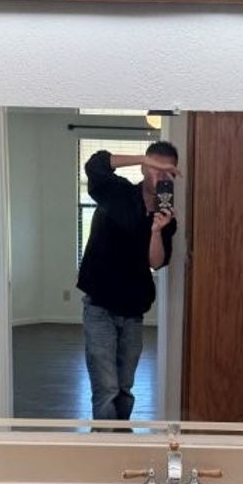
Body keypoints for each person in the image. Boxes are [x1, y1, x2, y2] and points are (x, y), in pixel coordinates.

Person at [77, 142, 179, 422]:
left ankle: (121, 436)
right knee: (107, 388)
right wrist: (143, 158)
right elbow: (96, 164)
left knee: (124, 388)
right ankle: (105, 442)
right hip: (99, 305)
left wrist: (156, 231)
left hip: (134, 310)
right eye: (155, 168)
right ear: (145, 167)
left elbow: (156, 262)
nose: (160, 177)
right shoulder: (117, 192)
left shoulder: (166, 216)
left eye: (167, 172)